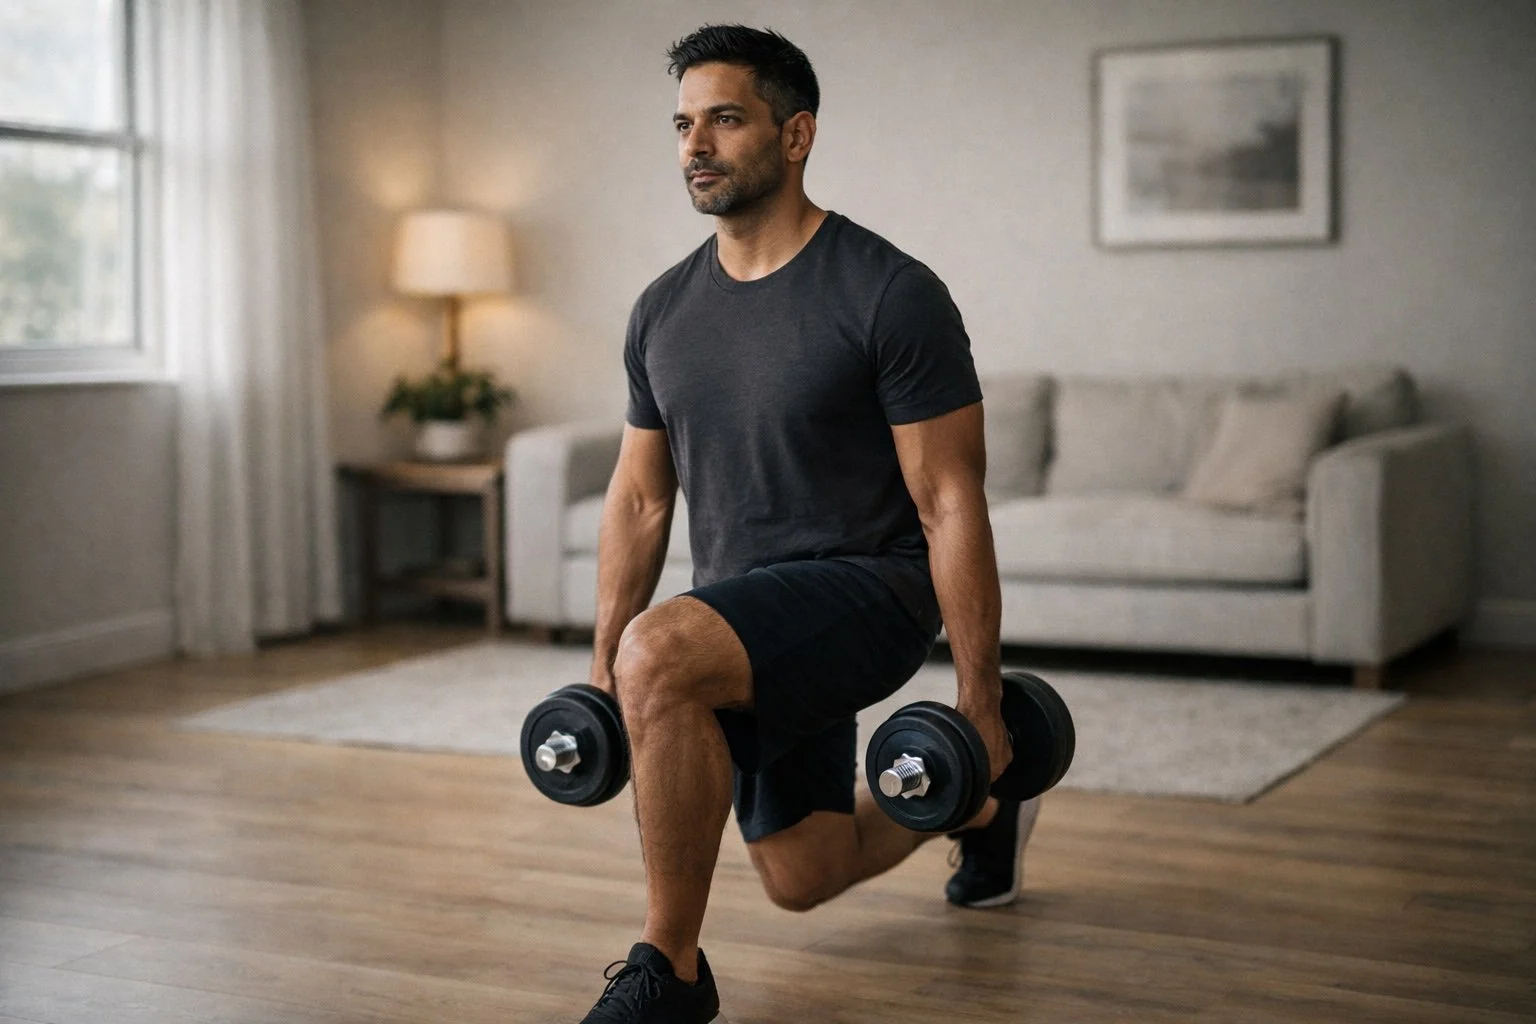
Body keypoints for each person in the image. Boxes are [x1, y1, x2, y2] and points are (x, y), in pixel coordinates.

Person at [578, 24, 1040, 1024]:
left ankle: (669, 975)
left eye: (725, 119)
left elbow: (949, 499)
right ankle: (982, 804)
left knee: (662, 653)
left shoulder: (891, 293)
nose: (697, 145)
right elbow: (641, 498)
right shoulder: (662, 311)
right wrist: (602, 659)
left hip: (872, 590)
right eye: (683, 125)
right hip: (745, 610)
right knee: (804, 871)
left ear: (796, 135)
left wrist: (980, 698)